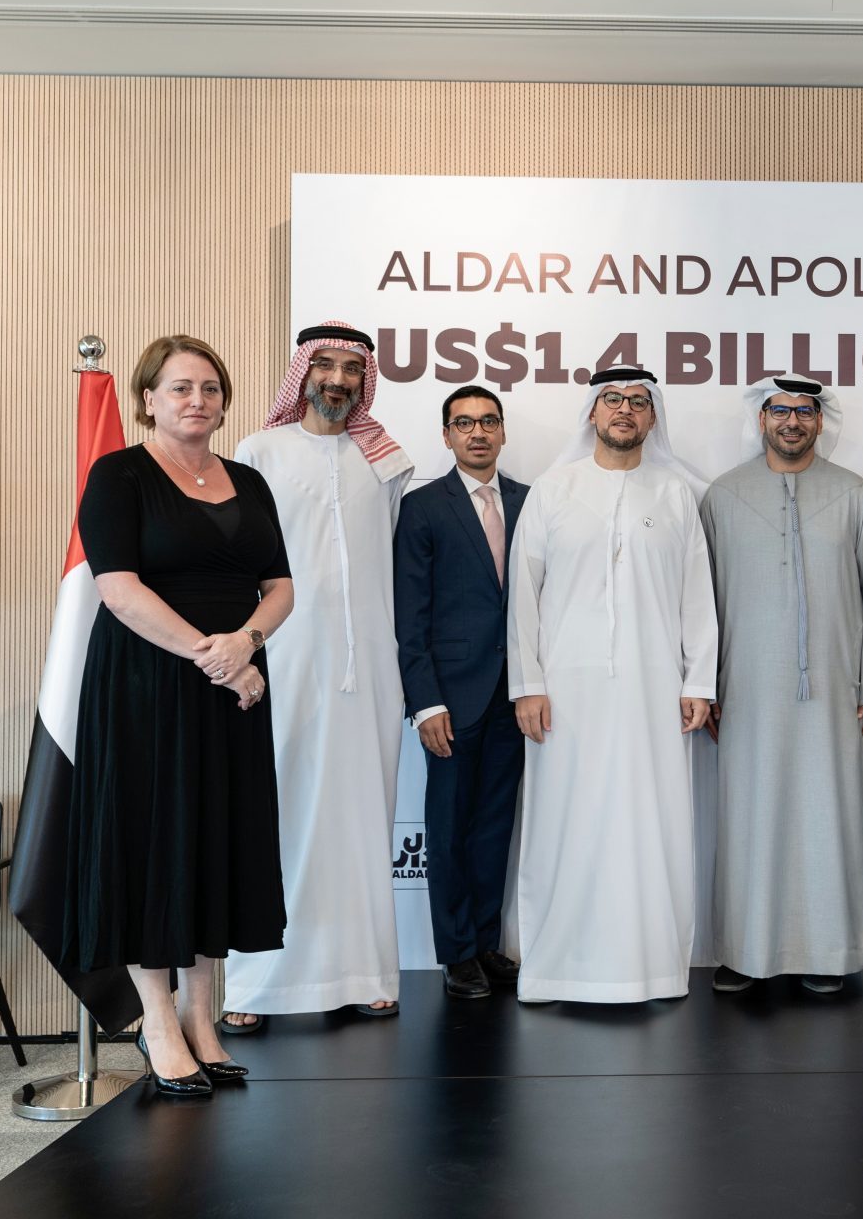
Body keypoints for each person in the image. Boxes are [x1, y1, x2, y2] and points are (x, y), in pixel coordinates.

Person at [64, 335, 292, 1094]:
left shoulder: (249, 480)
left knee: (213, 840)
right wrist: (217, 657)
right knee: (151, 842)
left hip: (233, 685)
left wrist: (246, 644)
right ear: (148, 399)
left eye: (211, 388)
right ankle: (156, 1022)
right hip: (146, 686)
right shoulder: (119, 474)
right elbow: (118, 588)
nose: (198, 400)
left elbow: (280, 585)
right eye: (181, 387)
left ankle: (201, 1017)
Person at [221, 322, 414, 1031]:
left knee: (363, 817)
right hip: (284, 661)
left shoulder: (386, 461)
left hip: (369, 669)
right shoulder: (259, 451)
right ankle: (255, 984)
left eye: (351, 369)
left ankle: (365, 973)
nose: (337, 379)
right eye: (324, 365)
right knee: (276, 812)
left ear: (365, 381)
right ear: (301, 374)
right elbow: (240, 563)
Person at [506, 366, 717, 1004]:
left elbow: (696, 596)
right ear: (593, 414)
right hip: (565, 693)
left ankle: (650, 967)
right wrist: (527, 684)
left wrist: (699, 680)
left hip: (656, 689)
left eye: (638, 402)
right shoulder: (554, 489)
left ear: (653, 418)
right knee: (565, 822)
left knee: (652, 823)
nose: (625, 409)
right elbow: (524, 597)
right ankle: (558, 969)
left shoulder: (674, 493)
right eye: (613, 400)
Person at [701, 375, 863, 996]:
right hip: (747, 691)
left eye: (803, 412)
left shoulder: (854, 493)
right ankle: (744, 952)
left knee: (829, 814)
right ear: (762, 420)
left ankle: (828, 953)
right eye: (779, 411)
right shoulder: (724, 495)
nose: (791, 422)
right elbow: (702, 606)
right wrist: (705, 685)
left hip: (835, 689)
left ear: (818, 421)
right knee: (749, 815)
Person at [394, 385, 528, 999]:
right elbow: (411, 614)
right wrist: (426, 701)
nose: (478, 432)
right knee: (448, 826)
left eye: (488, 421)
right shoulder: (423, 507)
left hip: (514, 693)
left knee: (495, 823)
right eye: (464, 423)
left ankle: (485, 940)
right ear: (447, 435)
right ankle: (456, 952)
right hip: (450, 696)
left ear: (503, 432)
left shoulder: (529, 501)